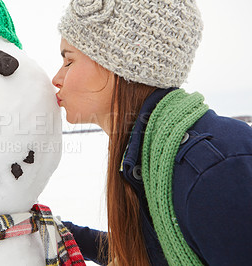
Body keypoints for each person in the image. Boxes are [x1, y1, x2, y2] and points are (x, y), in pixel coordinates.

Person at [51, 1, 252, 265]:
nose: (56, 78)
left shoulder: (214, 171)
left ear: (118, 64)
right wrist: (61, 233)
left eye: (68, 61)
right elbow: (153, 251)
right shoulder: (152, 161)